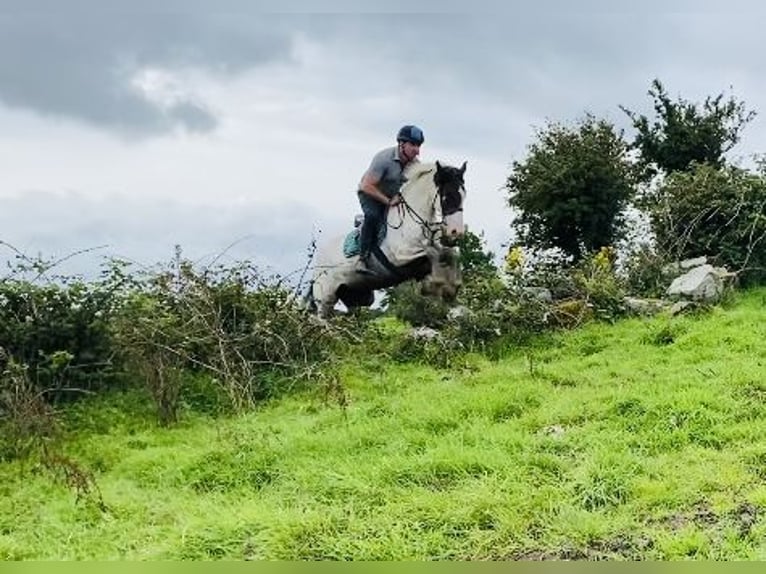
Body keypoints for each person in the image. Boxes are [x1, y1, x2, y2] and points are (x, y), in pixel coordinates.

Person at [355, 124, 425, 273]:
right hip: (370, 194)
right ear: (401, 144)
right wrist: (388, 202)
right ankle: (362, 258)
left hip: (391, 196)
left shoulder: (415, 165)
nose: (417, 150)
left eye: (418, 145)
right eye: (413, 144)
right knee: (373, 216)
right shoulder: (383, 159)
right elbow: (366, 186)